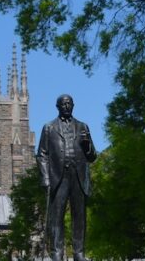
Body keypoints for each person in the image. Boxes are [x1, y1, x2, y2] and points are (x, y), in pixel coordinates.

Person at [37, 94, 97, 261]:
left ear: (73, 105)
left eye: (69, 103)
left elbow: (92, 157)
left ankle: (79, 253)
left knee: (80, 217)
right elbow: (42, 155)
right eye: (63, 104)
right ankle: (56, 252)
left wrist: (87, 146)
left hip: (79, 177)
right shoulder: (49, 128)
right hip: (59, 177)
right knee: (56, 217)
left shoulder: (83, 126)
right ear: (57, 106)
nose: (66, 106)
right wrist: (45, 178)